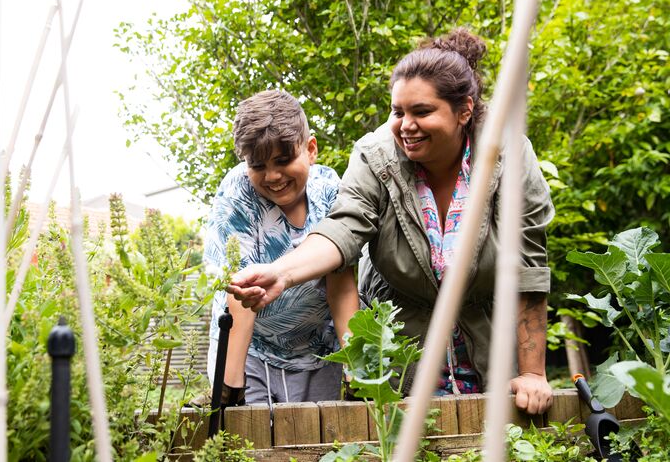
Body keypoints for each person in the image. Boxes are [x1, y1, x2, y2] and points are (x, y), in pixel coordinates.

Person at [228, 28, 555, 415]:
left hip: (487, 346)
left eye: (422, 112)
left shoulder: (508, 155)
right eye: (398, 112)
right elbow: (343, 229)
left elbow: (528, 267)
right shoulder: (375, 156)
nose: (405, 125)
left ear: (464, 110)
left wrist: (533, 374)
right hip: (403, 354)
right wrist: (281, 274)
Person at [204, 90, 359, 409]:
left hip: (317, 348)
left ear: (310, 149)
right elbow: (240, 298)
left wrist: (357, 373)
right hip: (250, 350)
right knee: (248, 442)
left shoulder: (330, 191)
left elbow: (341, 290)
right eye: (258, 165)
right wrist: (230, 390)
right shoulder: (238, 196)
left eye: (284, 161)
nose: (273, 176)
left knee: (318, 442)